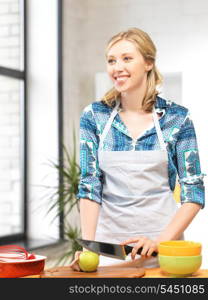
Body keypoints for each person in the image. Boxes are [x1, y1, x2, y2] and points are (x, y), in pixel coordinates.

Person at [71, 27, 205, 270]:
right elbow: (90, 183)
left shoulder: (177, 118)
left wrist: (159, 242)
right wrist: (89, 248)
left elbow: (193, 189)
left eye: (127, 58)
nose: (116, 67)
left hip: (164, 248)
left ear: (148, 63)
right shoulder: (95, 116)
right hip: (109, 251)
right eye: (111, 60)